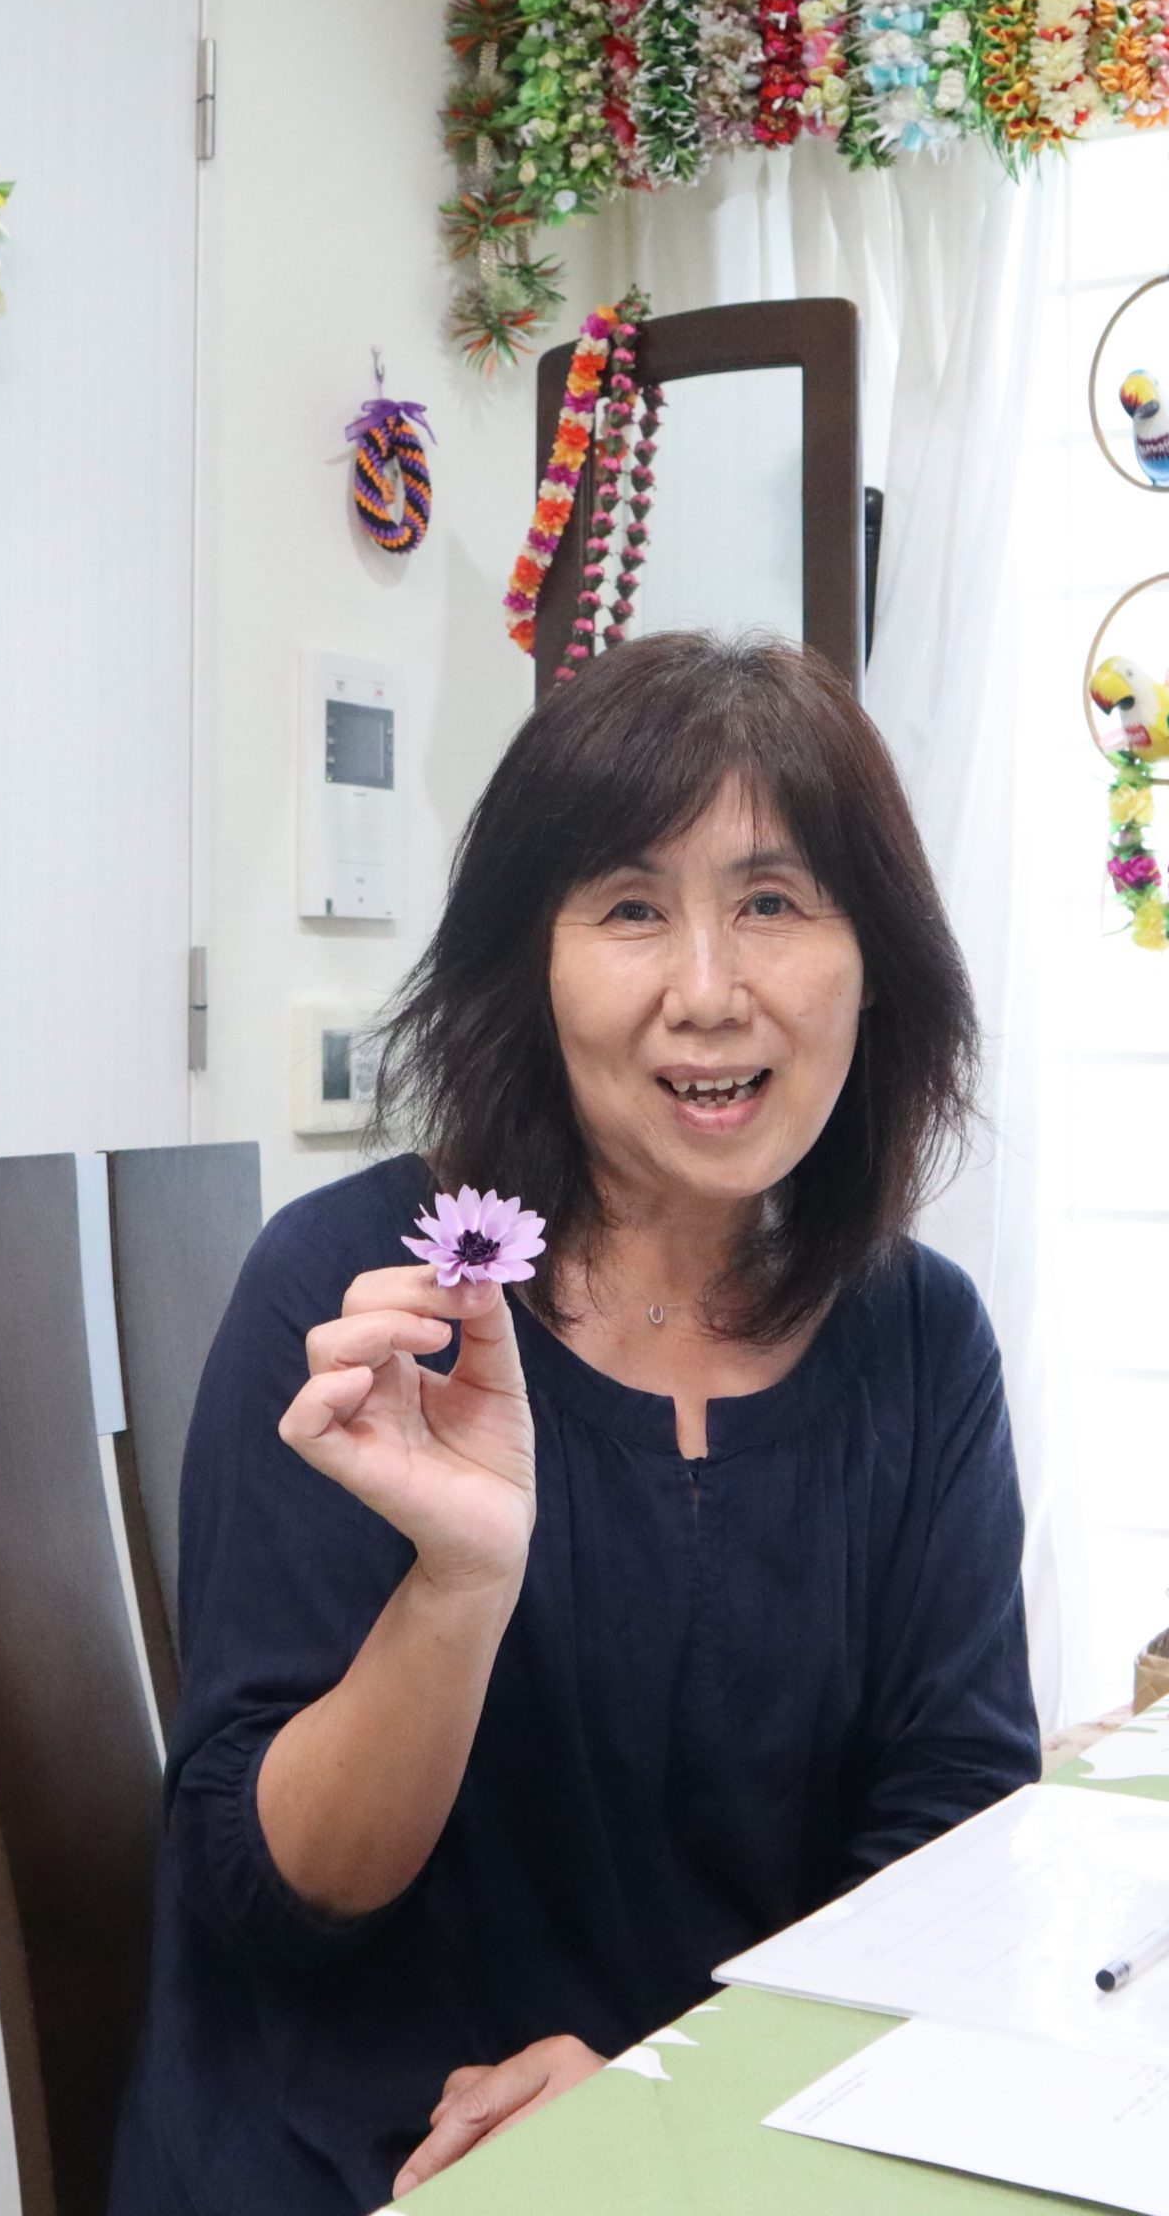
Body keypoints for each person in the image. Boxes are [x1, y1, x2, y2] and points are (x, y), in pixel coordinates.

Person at [114, 632, 1037, 2213]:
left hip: (742, 2147)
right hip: (380, 2155)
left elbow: (949, 1853)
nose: (708, 993)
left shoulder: (919, 1338)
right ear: (528, 970)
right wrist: (459, 1584)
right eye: (628, 909)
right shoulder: (360, 1299)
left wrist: (676, 2091)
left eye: (773, 903)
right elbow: (267, 1898)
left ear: (875, 958)